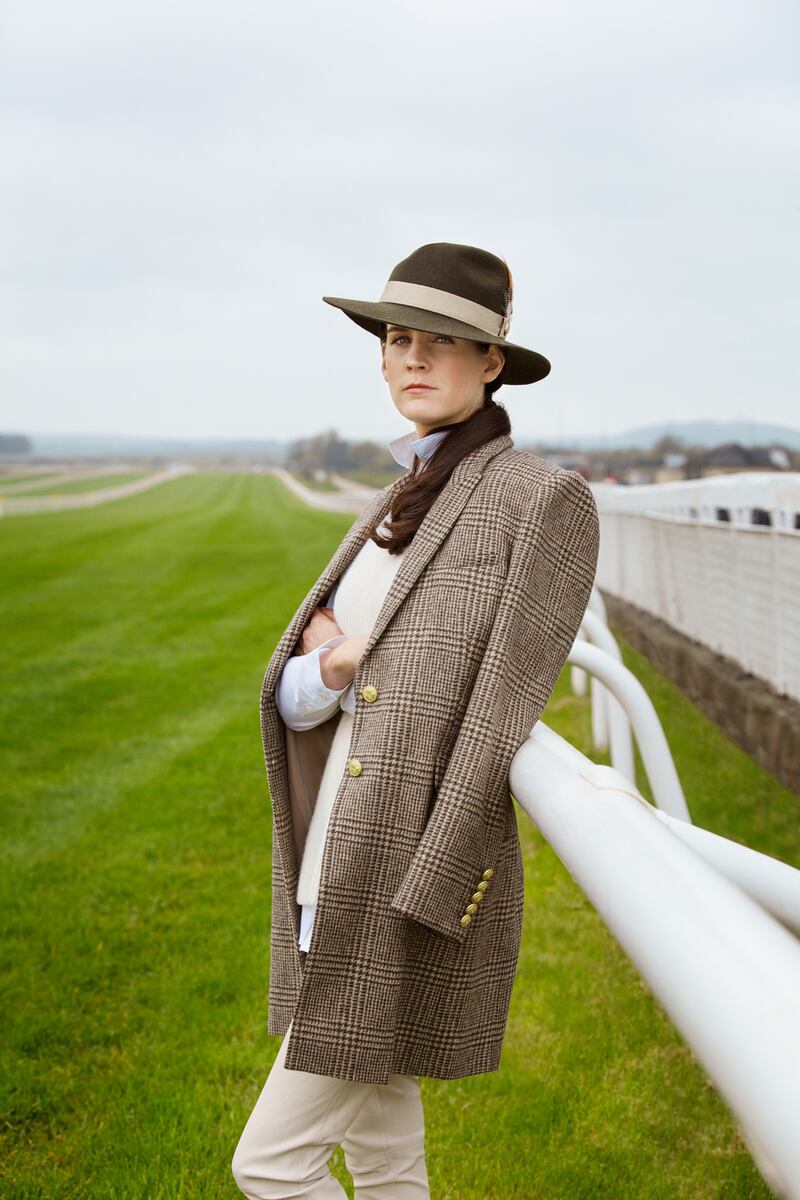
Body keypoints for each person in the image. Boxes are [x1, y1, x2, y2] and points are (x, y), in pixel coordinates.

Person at [232, 242, 600, 1198]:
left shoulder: (542, 501)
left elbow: (501, 710)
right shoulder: (393, 500)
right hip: (327, 861)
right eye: (399, 339)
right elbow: (297, 691)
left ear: (494, 363)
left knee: (270, 1166)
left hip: (397, 881)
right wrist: (337, 665)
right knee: (387, 1157)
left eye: (445, 342)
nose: (414, 359)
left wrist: (429, 888)